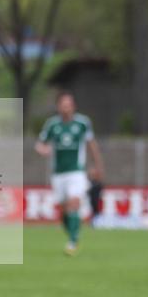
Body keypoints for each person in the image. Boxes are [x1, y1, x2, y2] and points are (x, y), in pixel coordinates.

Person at [35, 91, 104, 256]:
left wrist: (98, 166)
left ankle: (73, 242)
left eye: (68, 104)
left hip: (76, 171)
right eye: (63, 104)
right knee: (65, 212)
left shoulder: (82, 123)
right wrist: (44, 150)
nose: (66, 108)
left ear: (73, 106)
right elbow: (40, 144)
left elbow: (91, 144)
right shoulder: (52, 124)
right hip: (58, 174)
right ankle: (73, 232)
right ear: (58, 107)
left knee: (74, 203)